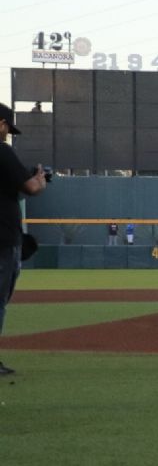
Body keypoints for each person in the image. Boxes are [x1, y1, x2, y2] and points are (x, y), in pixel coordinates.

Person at [0, 102, 48, 376]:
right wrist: (40, 180)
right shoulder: (2, 151)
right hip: (3, 239)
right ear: (1, 124)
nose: (7, 133)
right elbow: (30, 187)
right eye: (7, 127)